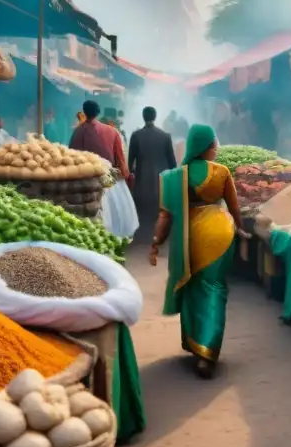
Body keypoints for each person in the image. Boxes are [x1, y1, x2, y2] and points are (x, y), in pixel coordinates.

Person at [149, 124, 251, 379]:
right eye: (214, 144)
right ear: (206, 147)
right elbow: (234, 207)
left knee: (194, 286)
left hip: (190, 235)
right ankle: (208, 351)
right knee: (214, 288)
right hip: (221, 233)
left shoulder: (176, 176)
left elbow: (165, 215)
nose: (216, 149)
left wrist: (155, 243)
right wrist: (241, 230)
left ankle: (197, 345)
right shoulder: (221, 172)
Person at [70, 100, 139, 240]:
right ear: (98, 112)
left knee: (92, 219)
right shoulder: (112, 131)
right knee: (114, 215)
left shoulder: (78, 132)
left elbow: (72, 156)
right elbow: (120, 160)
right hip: (109, 179)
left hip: (87, 181)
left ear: (85, 112)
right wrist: (126, 177)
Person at [129, 106, 178, 238]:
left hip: (142, 180)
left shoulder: (136, 136)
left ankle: (142, 237)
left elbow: (130, 161)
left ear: (143, 117)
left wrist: (130, 175)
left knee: (143, 208)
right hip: (161, 180)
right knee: (159, 207)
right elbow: (172, 163)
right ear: (155, 117)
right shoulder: (165, 136)